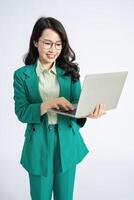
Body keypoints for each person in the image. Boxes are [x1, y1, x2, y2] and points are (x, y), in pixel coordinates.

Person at [13, 16, 106, 200]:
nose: (53, 49)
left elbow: (78, 105)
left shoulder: (70, 73)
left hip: (67, 142)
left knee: (65, 197)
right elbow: (22, 112)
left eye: (58, 44)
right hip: (38, 143)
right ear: (35, 42)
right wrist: (47, 104)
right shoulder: (22, 76)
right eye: (48, 43)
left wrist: (89, 112)